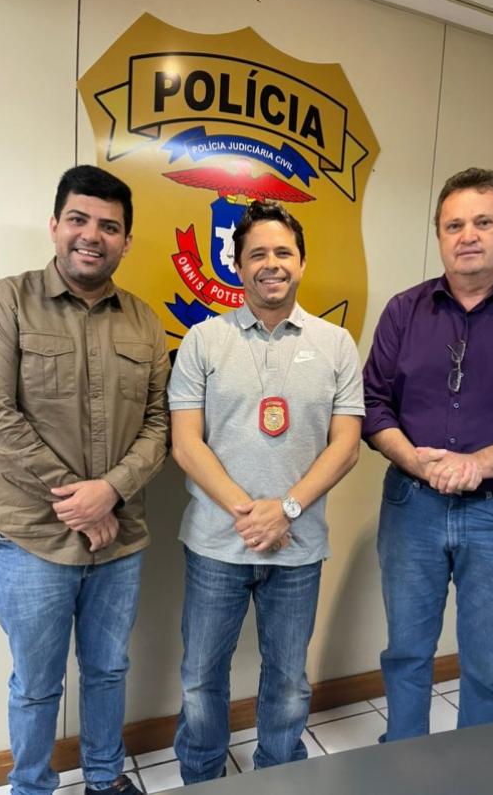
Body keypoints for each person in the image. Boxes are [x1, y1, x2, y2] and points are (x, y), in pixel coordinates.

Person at [0, 165, 170, 795]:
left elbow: (160, 422)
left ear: (126, 240)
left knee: (108, 671)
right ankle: (31, 787)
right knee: (35, 684)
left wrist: (111, 492)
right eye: (78, 219)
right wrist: (81, 501)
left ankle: (105, 780)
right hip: (32, 540)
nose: (92, 236)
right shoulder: (4, 302)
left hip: (119, 539)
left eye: (109, 226)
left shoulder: (144, 321)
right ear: (55, 225)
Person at [168, 200, 364, 783]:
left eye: (283, 252)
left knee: (288, 679)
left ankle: (281, 777)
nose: (271, 264)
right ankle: (202, 779)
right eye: (257, 254)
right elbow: (186, 443)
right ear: (237, 265)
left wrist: (287, 510)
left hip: (298, 548)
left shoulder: (337, 344)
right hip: (215, 545)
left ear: (301, 263)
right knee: (201, 677)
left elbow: (346, 445)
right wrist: (250, 514)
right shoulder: (203, 340)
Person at [362, 167, 493, 742]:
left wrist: (478, 464)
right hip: (412, 505)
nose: (468, 235)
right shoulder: (404, 310)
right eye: (454, 225)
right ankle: (402, 761)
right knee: (406, 652)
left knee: (489, 664)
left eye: (483, 222)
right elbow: (373, 404)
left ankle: (480, 774)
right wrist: (415, 462)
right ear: (439, 235)